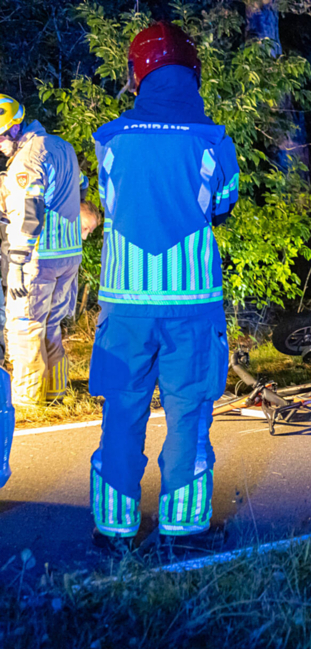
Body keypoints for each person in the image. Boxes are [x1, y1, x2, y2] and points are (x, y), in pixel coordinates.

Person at [88, 22, 239, 553]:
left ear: (138, 75)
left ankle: (114, 527)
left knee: (121, 413)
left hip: (124, 306)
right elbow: (223, 204)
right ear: (191, 75)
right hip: (192, 305)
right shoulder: (215, 142)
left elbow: (112, 205)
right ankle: (183, 526)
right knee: (189, 416)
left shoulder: (110, 141)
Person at [0, 94, 86, 405]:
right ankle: (56, 394)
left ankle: (27, 403)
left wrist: (19, 262)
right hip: (68, 253)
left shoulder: (27, 159)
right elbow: (81, 184)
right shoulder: (61, 146)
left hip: (38, 257)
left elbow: (30, 211)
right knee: (50, 325)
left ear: (14, 127)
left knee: (24, 326)